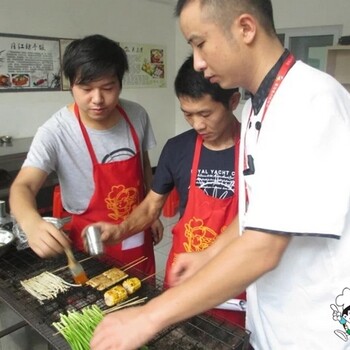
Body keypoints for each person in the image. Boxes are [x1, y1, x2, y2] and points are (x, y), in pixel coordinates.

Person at [90, 1, 350, 349]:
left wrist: (149, 316)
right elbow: (258, 211)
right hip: (271, 314)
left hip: (311, 324)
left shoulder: (309, 101)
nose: (197, 61)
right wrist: (210, 255)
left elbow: (263, 247)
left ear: (245, 28)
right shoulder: (259, 106)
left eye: (200, 43)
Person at [91, 54, 245, 327]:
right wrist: (120, 230)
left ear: (232, 102)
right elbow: (152, 206)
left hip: (235, 274)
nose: (197, 124)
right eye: (188, 114)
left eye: (206, 114)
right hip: (185, 270)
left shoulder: (255, 149)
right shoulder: (177, 148)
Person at [9, 34, 163, 275]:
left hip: (134, 230)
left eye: (108, 88)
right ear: (71, 85)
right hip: (89, 239)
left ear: (120, 83)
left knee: (141, 296)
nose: (98, 99)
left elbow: (143, 166)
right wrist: (30, 222)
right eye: (86, 89)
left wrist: (150, 213)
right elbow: (23, 186)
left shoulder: (137, 115)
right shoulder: (56, 131)